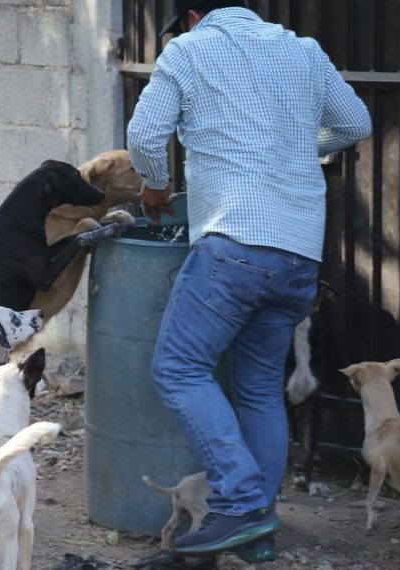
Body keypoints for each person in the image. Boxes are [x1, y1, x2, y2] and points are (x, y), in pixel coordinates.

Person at [126, 0, 371, 561]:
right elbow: (356, 122)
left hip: (234, 246)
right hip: (298, 258)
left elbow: (143, 137)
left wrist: (157, 187)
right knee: (259, 388)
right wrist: (299, 153)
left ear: (192, 16)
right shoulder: (303, 51)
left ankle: (239, 504)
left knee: (178, 367)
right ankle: (258, 529)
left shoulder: (188, 51)